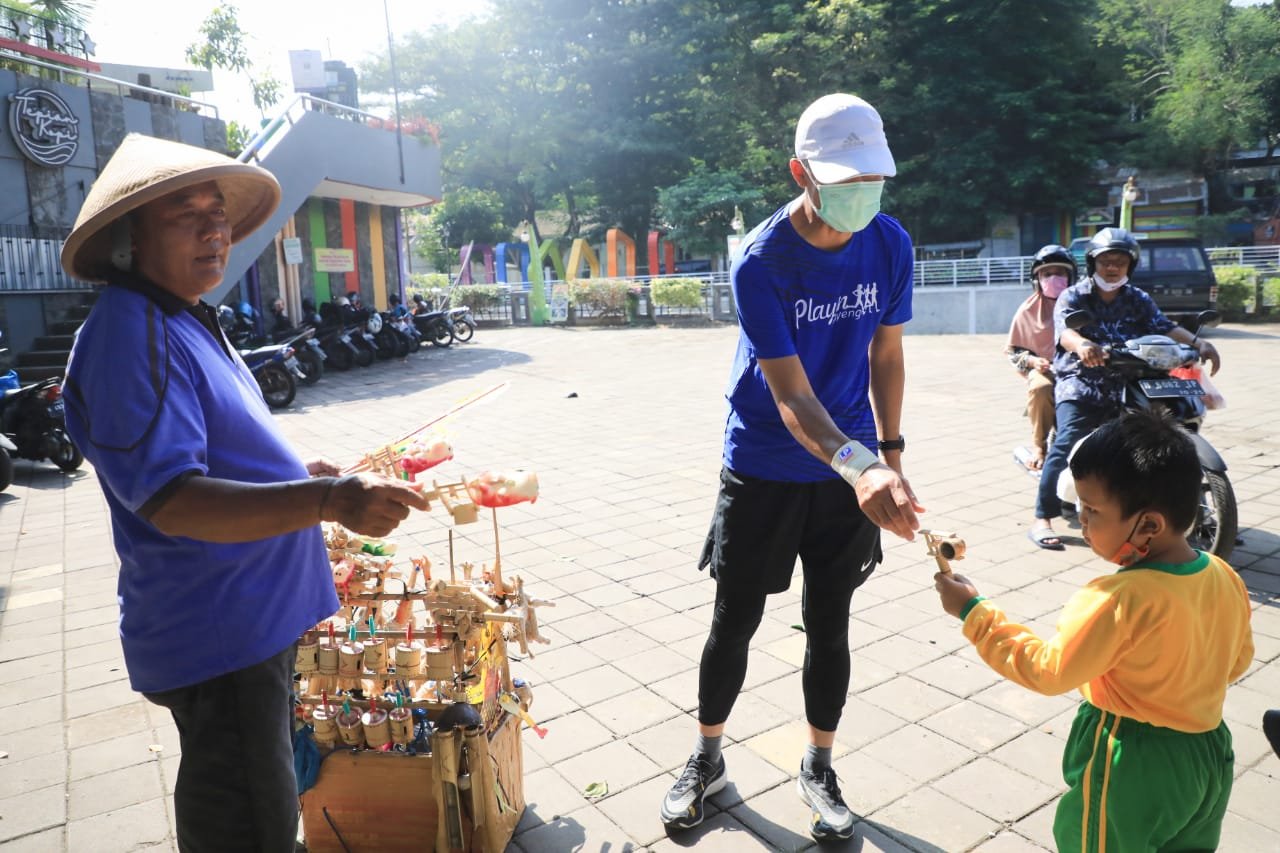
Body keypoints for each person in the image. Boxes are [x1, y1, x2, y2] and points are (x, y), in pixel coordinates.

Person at [59, 133, 430, 852]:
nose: (212, 229)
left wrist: (300, 478)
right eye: (182, 213)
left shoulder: (180, 314)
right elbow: (175, 499)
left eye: (217, 211)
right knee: (249, 826)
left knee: (262, 804)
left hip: (254, 623)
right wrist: (327, 503)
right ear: (131, 236)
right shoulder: (128, 332)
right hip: (220, 634)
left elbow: (218, 447)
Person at [659, 93, 923, 842]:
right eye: (845, 178)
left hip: (853, 472)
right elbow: (791, 398)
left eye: (872, 177)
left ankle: (819, 763)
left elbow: (888, 353)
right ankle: (707, 757)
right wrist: (858, 464)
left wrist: (890, 457)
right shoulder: (763, 262)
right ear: (800, 171)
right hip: (768, 464)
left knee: (829, 623)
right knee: (734, 620)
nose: (861, 193)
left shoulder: (890, 243)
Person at [935, 409, 1253, 851]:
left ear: (1149, 525)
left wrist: (974, 612)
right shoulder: (1222, 573)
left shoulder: (1118, 597)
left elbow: (1049, 671)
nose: (1081, 521)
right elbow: (1236, 661)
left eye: (1091, 511)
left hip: (1131, 762)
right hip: (1208, 754)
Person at [1029, 227, 1220, 550]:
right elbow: (1065, 334)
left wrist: (1199, 342)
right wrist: (1083, 344)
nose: (1113, 268)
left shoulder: (1137, 298)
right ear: (1093, 264)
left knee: (1163, 435)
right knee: (1068, 440)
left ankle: (1186, 513)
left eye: (1120, 261)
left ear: (1130, 266)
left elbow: (1164, 326)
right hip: (1084, 381)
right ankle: (1042, 516)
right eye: (1106, 261)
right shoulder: (1074, 296)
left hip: (1133, 378)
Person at [1005, 245, 1075, 471]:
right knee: (1041, 387)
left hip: (1080, 370)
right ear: (1037, 279)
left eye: (1060, 273)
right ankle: (1039, 446)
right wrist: (1034, 362)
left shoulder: (1083, 303)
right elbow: (1014, 351)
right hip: (1046, 370)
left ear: (1071, 276)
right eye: (1047, 274)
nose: (1054, 279)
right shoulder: (1027, 311)